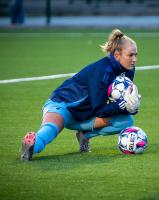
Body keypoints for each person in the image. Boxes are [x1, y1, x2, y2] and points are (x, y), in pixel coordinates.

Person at [20, 29, 140, 161]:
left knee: (126, 121)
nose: (134, 59)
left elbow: (119, 103)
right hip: (62, 106)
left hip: (85, 115)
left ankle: (85, 135)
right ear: (117, 54)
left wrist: (131, 107)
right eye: (130, 55)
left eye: (136, 55)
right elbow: (100, 109)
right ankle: (30, 145)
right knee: (50, 130)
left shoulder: (128, 70)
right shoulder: (101, 71)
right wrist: (123, 105)